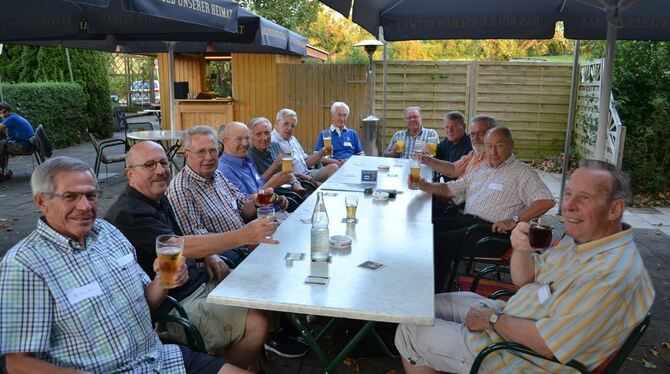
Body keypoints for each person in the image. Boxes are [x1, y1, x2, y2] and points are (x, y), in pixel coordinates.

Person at [395, 159, 655, 374]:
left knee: (410, 332)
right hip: (515, 318)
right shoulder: (585, 241)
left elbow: (547, 344)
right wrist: (520, 249)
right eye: (568, 194)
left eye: (584, 198)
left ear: (614, 209)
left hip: (520, 358)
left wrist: (494, 320)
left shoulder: (609, 276)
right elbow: (525, 281)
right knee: (425, 308)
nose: (569, 206)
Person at [0, 156, 249, 374]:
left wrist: (163, 281)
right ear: (41, 202)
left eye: (90, 195)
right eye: (70, 197)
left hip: (158, 358)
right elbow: (18, 363)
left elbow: (146, 302)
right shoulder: (24, 265)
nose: (85, 206)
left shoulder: (108, 232)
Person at [105, 141, 279, 372]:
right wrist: (244, 235)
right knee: (258, 322)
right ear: (129, 173)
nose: (160, 170)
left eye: (163, 162)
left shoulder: (157, 196)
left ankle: (241, 357)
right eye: (149, 165)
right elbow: (178, 246)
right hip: (175, 303)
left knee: (270, 290)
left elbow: (179, 237)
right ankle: (231, 366)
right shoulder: (128, 213)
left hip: (201, 280)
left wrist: (208, 256)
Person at [421, 127, 555, 292]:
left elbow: (546, 201)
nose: (493, 151)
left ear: (511, 146)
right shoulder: (481, 169)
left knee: (438, 244)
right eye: (489, 146)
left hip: (491, 233)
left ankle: (434, 294)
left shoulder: (523, 172)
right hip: (467, 222)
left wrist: (514, 220)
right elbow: (451, 189)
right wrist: (423, 185)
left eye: (499, 145)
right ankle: (418, 283)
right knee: (424, 228)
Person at [217, 121, 291, 210]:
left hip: (274, 210)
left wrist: (275, 198)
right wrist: (272, 183)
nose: (245, 143)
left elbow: (259, 189)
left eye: (247, 138)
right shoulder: (224, 170)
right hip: (261, 220)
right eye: (239, 139)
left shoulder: (246, 160)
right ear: (225, 141)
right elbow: (244, 205)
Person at [272, 108, 337, 183]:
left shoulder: (292, 139)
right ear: (277, 123)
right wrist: (302, 178)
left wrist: (321, 153)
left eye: (292, 126)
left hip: (307, 173)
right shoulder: (273, 141)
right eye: (286, 123)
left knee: (333, 167)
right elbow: (279, 172)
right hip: (295, 180)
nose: (290, 128)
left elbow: (307, 162)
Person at [423, 115, 497, 179]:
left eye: (481, 134)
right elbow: (454, 169)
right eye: (473, 134)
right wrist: (426, 158)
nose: (475, 138)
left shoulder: (495, 159)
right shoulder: (474, 154)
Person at [248, 117, 306, 196]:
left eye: (267, 133)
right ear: (250, 137)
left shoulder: (275, 145)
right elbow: (257, 185)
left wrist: (297, 183)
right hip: (271, 195)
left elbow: (287, 170)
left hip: (289, 188)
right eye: (259, 134)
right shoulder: (249, 155)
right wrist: (275, 165)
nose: (265, 138)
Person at [0, 102, 36, 180]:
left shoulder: (11, 119)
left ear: (3, 111)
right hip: (27, 143)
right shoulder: (13, 116)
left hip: (23, 146)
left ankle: (4, 172)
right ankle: (5, 171)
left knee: (1, 146)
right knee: (2, 144)